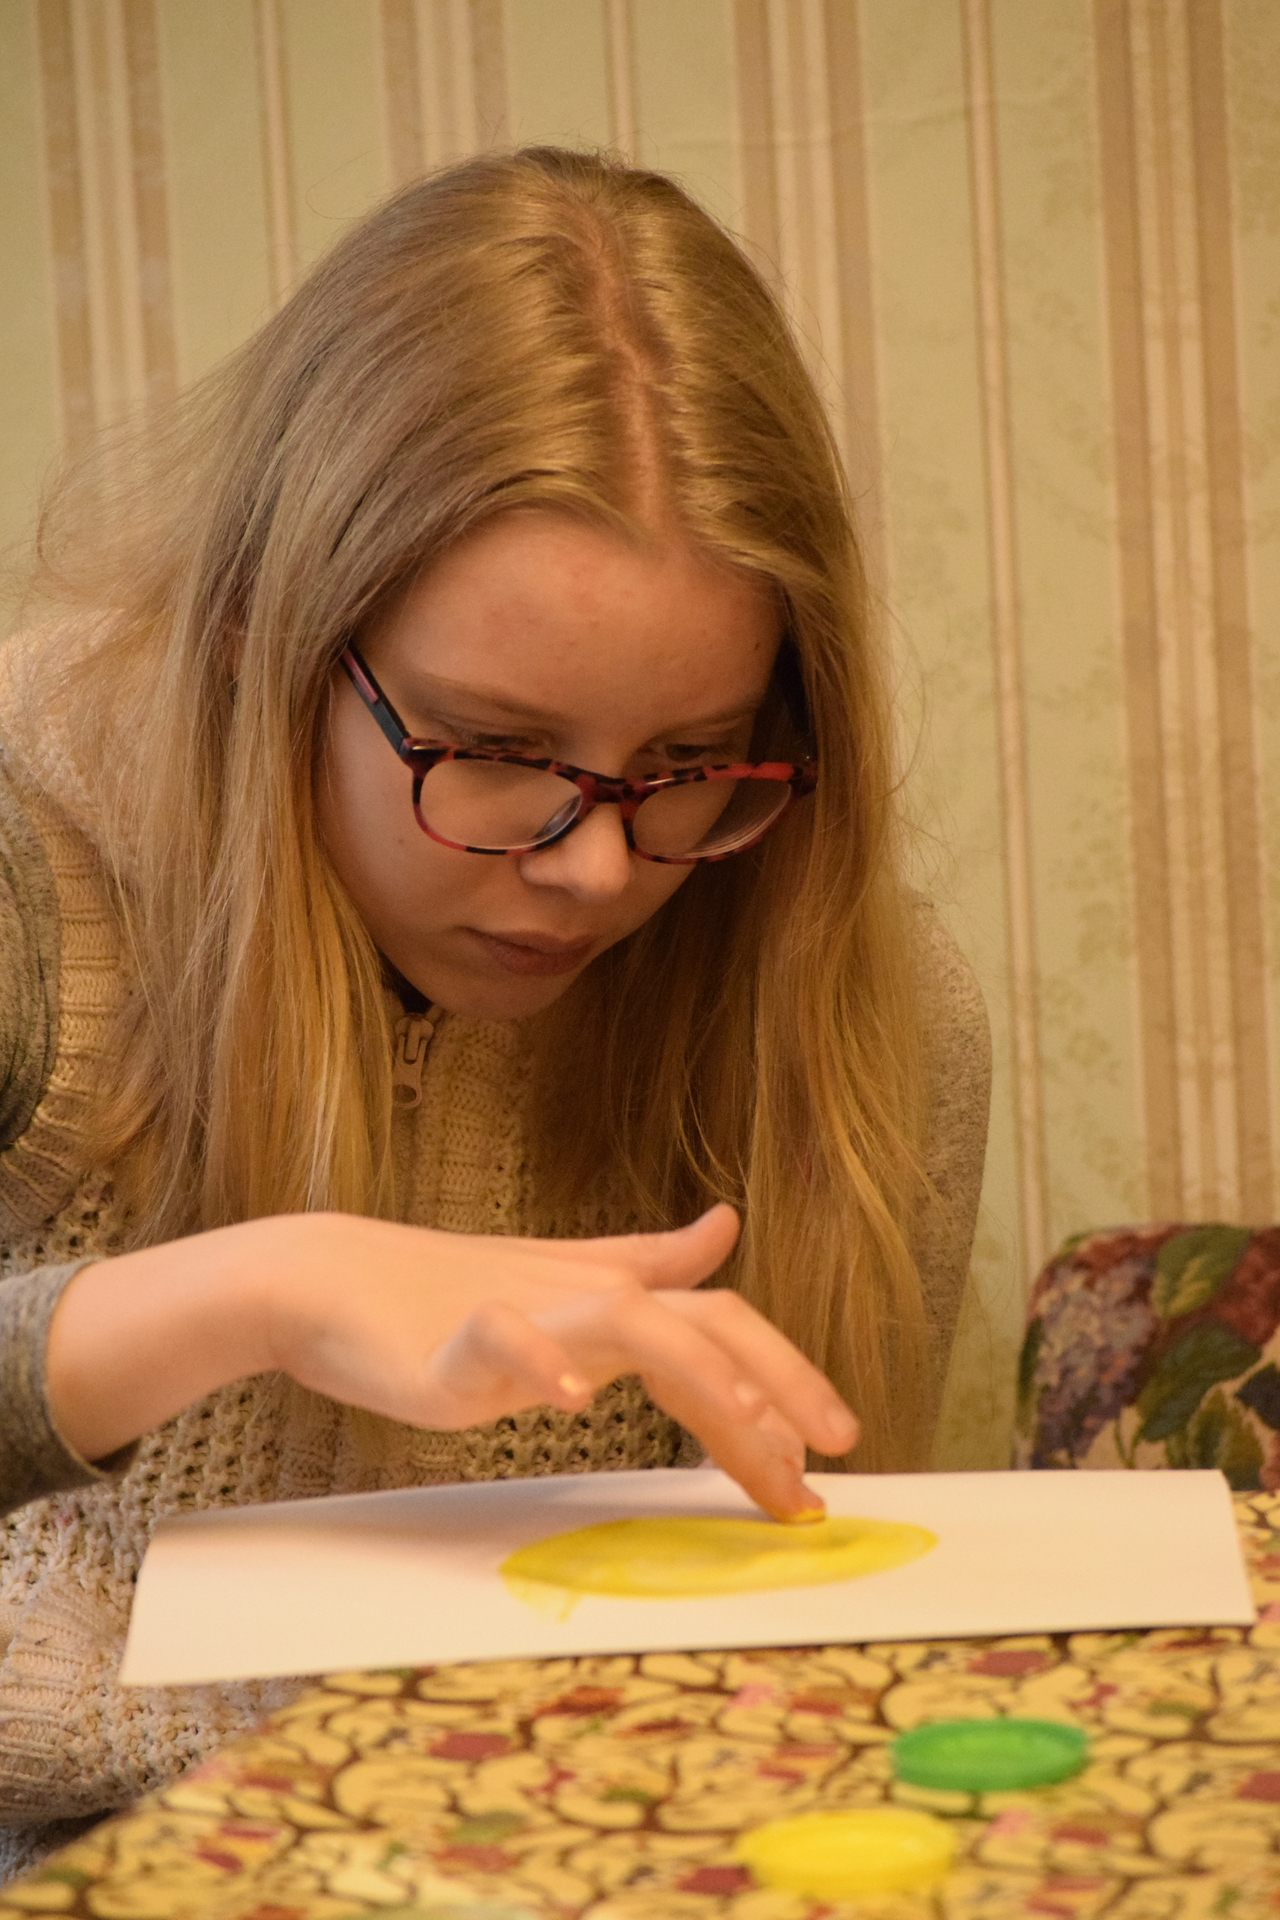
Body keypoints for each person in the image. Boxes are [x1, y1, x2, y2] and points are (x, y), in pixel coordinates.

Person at [0, 147, 989, 1870]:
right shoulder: (32, 891)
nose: (597, 869)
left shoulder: (861, 1016)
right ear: (258, 645)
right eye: (496, 749)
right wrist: (252, 1293)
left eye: (692, 761)